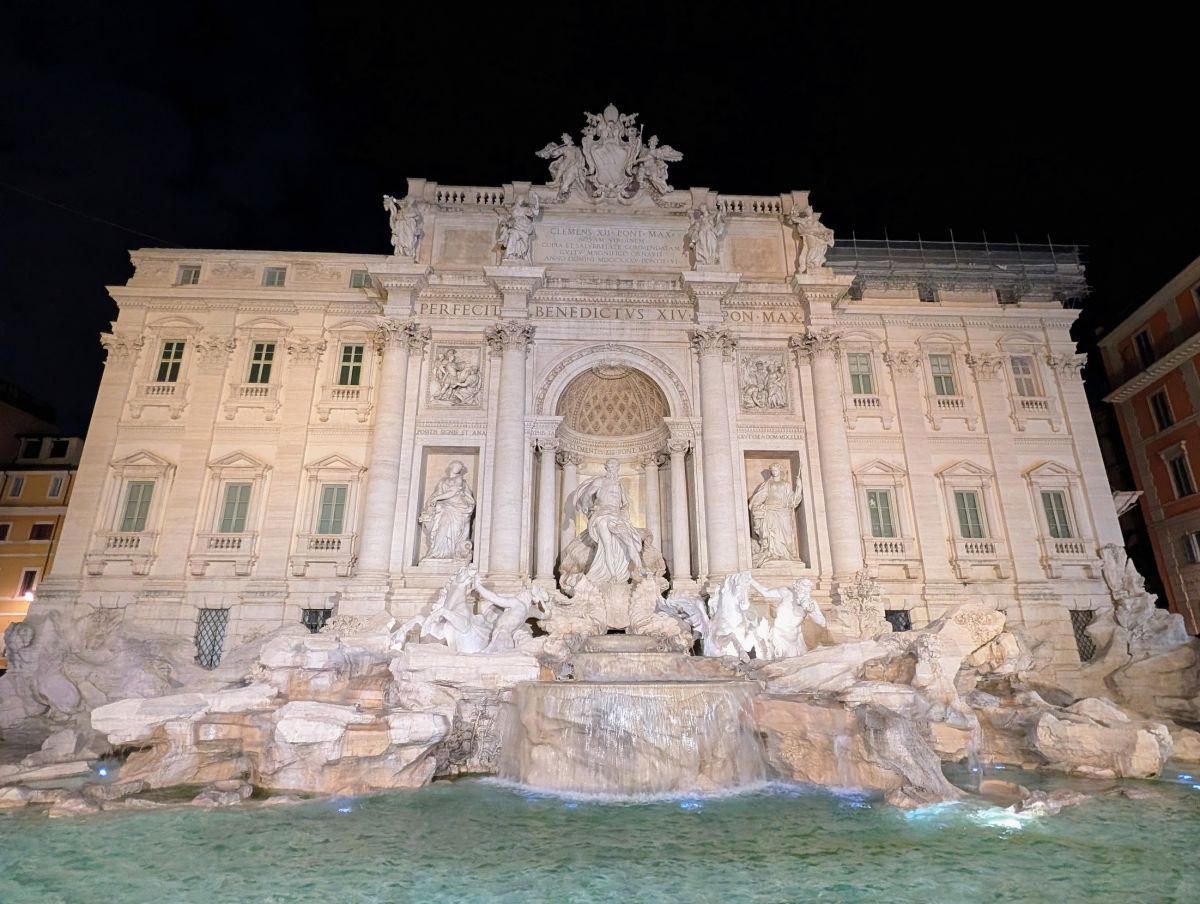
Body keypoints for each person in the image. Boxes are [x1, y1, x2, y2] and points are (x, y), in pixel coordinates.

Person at [573, 458, 648, 585]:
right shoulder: (600, 481)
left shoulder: (619, 485)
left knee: (629, 541)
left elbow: (625, 503)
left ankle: (641, 569)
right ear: (606, 468)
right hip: (602, 515)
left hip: (617, 516)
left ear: (618, 468)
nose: (613, 469)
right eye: (610, 466)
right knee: (606, 546)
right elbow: (588, 494)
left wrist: (624, 512)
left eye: (615, 467)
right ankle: (613, 575)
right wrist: (586, 505)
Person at [748, 464, 804, 566]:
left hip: (783, 512)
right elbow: (762, 495)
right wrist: (757, 505)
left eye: (776, 470)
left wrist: (799, 487)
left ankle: (785, 555)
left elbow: (792, 500)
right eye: (773, 470)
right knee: (772, 533)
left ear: (779, 471)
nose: (774, 472)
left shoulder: (786, 484)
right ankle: (773, 554)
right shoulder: (768, 484)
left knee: (785, 535)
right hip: (770, 511)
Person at [419, 461, 476, 560]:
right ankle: (437, 552)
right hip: (445, 507)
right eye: (456, 466)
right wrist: (431, 502)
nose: (458, 469)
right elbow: (437, 493)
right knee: (442, 527)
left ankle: (449, 553)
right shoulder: (443, 481)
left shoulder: (459, 479)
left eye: (460, 467)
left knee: (451, 530)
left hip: (458, 508)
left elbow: (452, 492)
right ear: (451, 467)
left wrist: (436, 499)